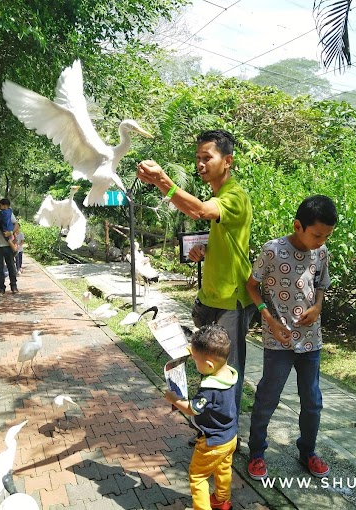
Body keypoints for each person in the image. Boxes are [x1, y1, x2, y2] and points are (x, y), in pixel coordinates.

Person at [138, 129, 254, 422]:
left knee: (228, 372)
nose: (200, 164)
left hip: (232, 301)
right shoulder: (219, 195)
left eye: (207, 158)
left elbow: (201, 212)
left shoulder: (235, 196)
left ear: (227, 161)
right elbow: (223, 236)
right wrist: (204, 249)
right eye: (198, 158)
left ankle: (226, 434)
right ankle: (208, 428)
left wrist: (162, 181)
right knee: (206, 365)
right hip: (209, 297)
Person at [245, 195, 337, 481]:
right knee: (268, 397)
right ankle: (257, 452)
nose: (322, 241)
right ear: (298, 225)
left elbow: (321, 284)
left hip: (311, 341)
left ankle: (307, 451)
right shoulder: (272, 250)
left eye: (327, 236)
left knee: (312, 401)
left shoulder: (321, 253)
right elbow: (251, 286)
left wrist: (318, 306)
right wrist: (268, 319)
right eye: (317, 234)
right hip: (279, 341)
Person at [165, 325, 238, 510]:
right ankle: (222, 501)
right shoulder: (228, 373)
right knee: (223, 469)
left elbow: (192, 409)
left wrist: (175, 399)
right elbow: (209, 361)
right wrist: (195, 351)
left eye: (196, 360)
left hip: (212, 442)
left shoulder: (210, 389)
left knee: (197, 476)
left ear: (209, 365)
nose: (194, 363)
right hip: (230, 437)